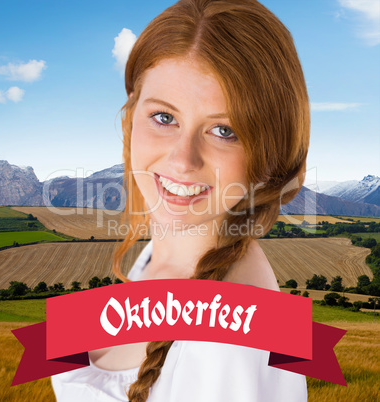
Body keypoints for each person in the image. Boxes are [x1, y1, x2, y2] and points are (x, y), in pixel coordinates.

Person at [52, 0, 310, 400]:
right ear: (132, 111)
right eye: (165, 117)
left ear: (268, 154)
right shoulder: (159, 254)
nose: (182, 161)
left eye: (224, 130)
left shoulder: (227, 343)